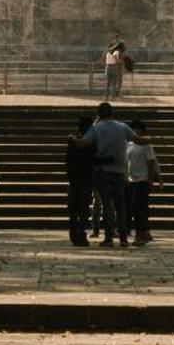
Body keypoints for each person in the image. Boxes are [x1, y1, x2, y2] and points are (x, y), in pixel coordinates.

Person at [72, 101, 133, 245]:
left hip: (103, 171)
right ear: (112, 113)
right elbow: (137, 139)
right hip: (119, 171)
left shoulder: (96, 128)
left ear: (98, 114)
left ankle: (109, 238)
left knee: (107, 205)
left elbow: (83, 143)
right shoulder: (122, 127)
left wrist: (71, 138)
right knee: (120, 206)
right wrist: (148, 139)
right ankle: (123, 238)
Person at [126, 120, 162, 245]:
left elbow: (152, 162)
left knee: (138, 208)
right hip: (132, 180)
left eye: (137, 129)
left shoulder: (146, 145)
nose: (135, 131)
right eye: (133, 129)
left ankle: (140, 234)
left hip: (143, 180)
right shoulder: (129, 144)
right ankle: (144, 232)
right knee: (134, 207)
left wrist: (151, 180)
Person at [65, 113, 97, 245]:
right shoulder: (90, 143)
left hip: (75, 179)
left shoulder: (73, 141)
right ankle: (81, 233)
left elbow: (67, 161)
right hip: (86, 179)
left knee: (74, 209)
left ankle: (74, 233)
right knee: (83, 209)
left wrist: (70, 175)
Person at [102, 32, 127, 100]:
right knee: (114, 80)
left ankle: (115, 94)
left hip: (115, 62)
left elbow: (124, 52)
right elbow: (108, 51)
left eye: (118, 37)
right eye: (117, 37)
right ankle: (113, 95)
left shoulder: (121, 44)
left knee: (118, 79)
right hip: (115, 63)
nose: (118, 38)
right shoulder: (113, 44)